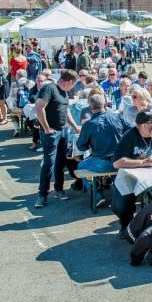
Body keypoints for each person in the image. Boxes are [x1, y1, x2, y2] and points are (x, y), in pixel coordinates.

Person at [112, 111, 152, 235]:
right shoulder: (129, 136)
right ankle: (126, 225)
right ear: (141, 125)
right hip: (132, 176)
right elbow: (117, 162)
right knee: (121, 205)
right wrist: (142, 163)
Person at [34, 69, 81, 208]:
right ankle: (42, 195)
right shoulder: (49, 88)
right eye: (73, 85)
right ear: (69, 82)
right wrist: (47, 128)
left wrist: (75, 127)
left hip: (63, 131)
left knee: (61, 161)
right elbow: (39, 107)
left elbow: (66, 112)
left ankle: (59, 190)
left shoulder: (64, 93)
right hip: (51, 134)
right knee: (49, 163)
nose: (73, 87)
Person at [76, 93, 129, 201]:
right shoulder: (117, 117)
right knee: (112, 167)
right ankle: (120, 190)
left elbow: (81, 146)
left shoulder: (88, 124)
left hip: (103, 163)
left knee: (81, 166)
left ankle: (97, 195)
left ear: (90, 108)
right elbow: (130, 131)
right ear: (104, 104)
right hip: (121, 160)